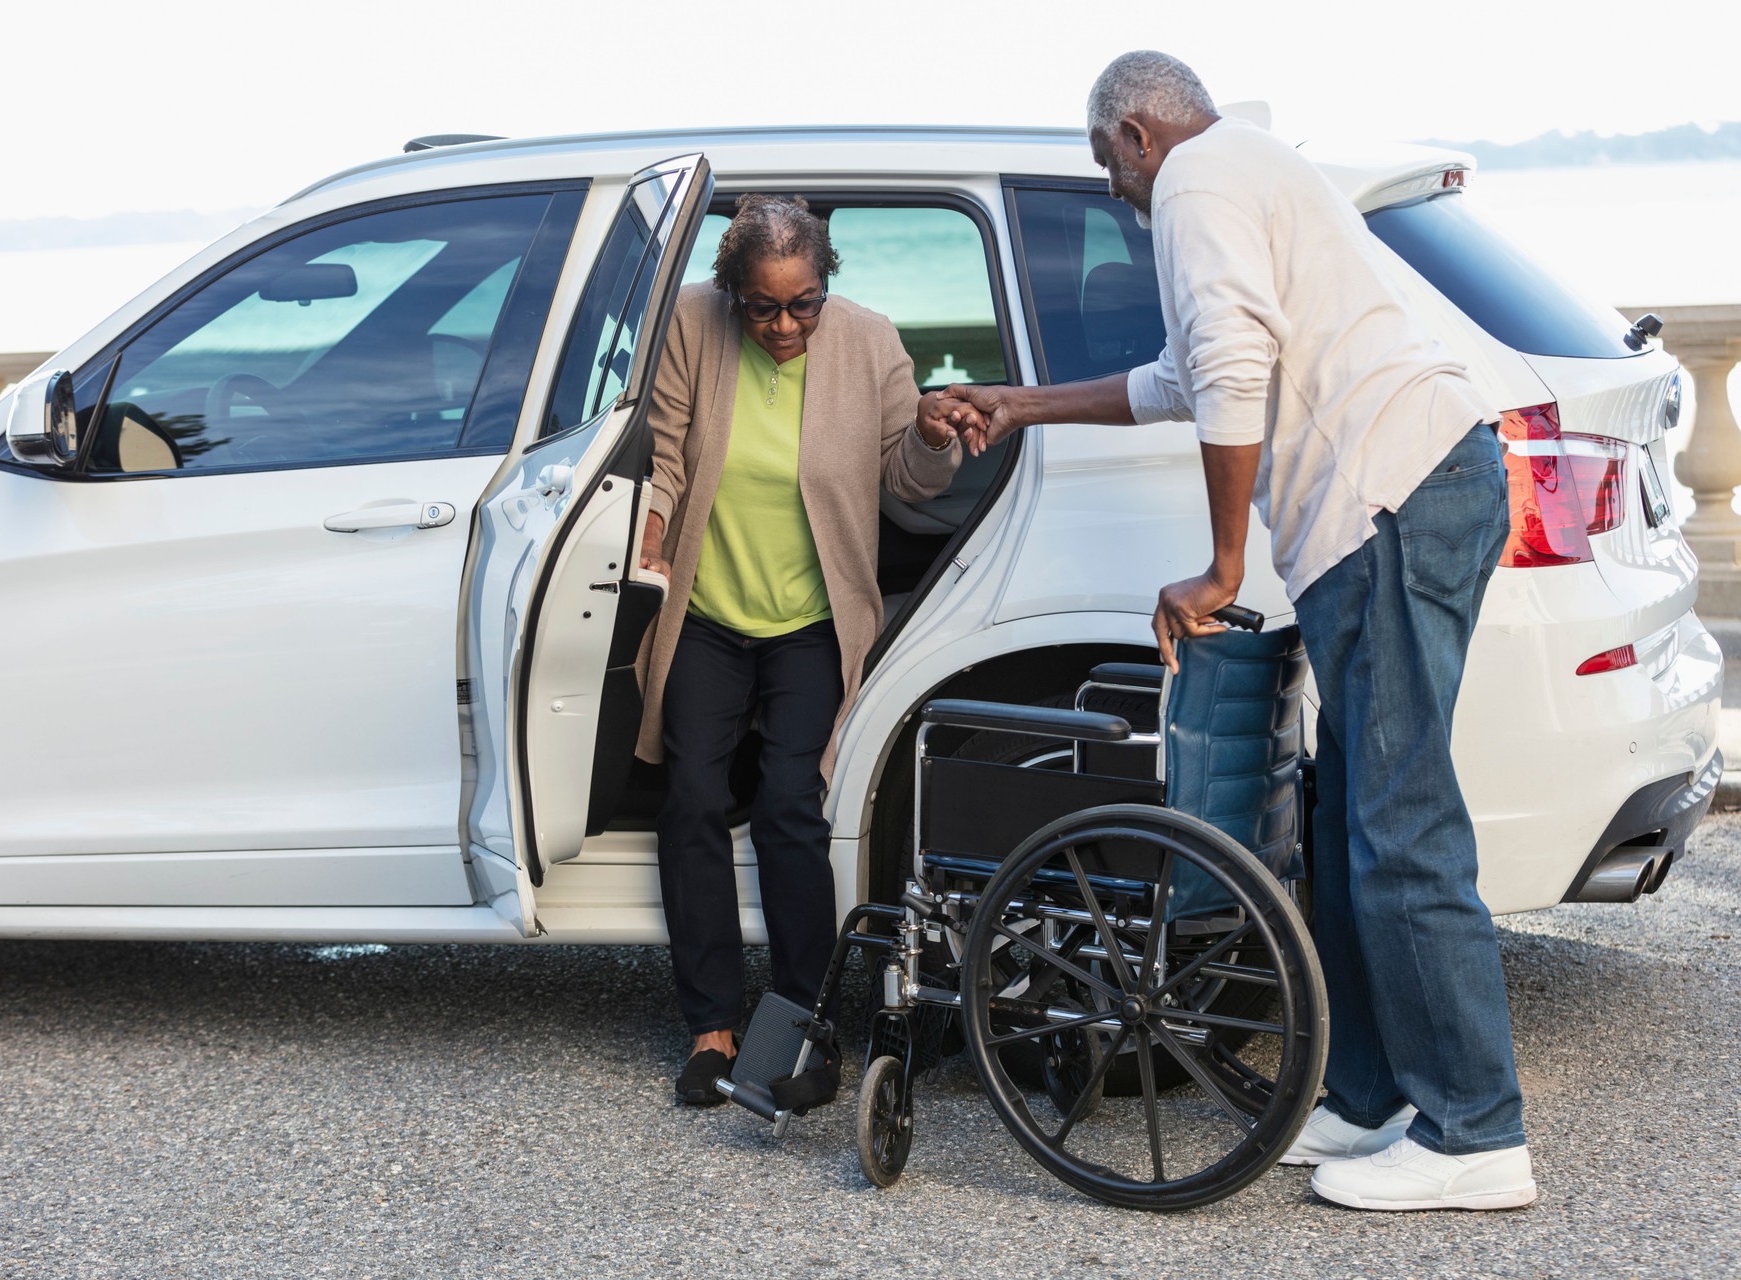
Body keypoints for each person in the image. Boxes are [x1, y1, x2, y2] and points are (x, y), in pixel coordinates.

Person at [939, 52, 1535, 1211]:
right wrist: (1025, 403)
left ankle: (1477, 1131)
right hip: (1395, 506)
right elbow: (1177, 375)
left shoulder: (1198, 181)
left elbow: (1227, 364)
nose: (1112, 189)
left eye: (1106, 163)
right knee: (1351, 816)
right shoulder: (1251, 164)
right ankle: (1371, 1099)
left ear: (1138, 136)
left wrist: (1219, 565)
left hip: (1393, 504)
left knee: (1400, 821)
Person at [637, 194, 963, 1105]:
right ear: (730, 290)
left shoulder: (870, 341)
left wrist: (934, 438)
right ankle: (711, 1027)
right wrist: (653, 539)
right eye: (764, 307)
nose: (785, 325)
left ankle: (807, 1033)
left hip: (814, 619)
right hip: (706, 611)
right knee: (692, 799)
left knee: (790, 806)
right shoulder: (695, 330)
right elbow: (663, 458)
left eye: (803, 304)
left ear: (828, 285)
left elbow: (907, 478)